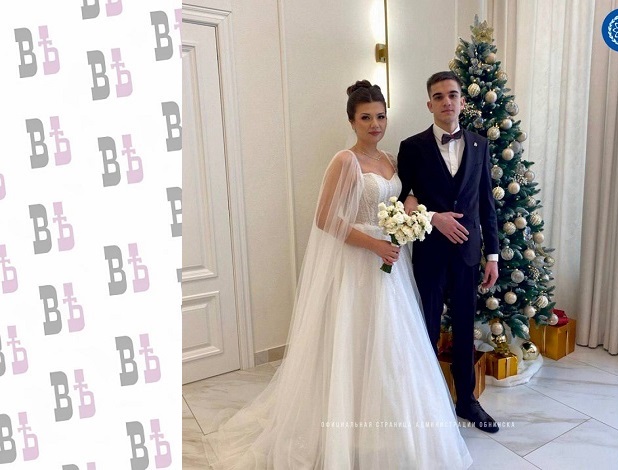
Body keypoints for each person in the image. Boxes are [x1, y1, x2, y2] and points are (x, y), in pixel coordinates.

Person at [204, 81, 472, 469]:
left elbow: (404, 197)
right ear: (352, 121)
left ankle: (390, 431)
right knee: (354, 340)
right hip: (358, 262)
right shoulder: (345, 161)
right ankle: (346, 431)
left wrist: (410, 217)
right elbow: (326, 218)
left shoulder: (390, 160)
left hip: (391, 264)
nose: (375, 124)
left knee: (392, 344)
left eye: (380, 116)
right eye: (366, 118)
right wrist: (375, 244)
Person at [398, 71, 501, 433]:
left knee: (464, 328)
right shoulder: (412, 147)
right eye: (439, 96)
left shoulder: (479, 144)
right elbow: (402, 200)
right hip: (429, 253)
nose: (446, 101)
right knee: (426, 327)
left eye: (452, 95)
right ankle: (427, 402)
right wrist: (433, 218)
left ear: (462, 101)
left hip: (468, 255)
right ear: (429, 104)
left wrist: (492, 256)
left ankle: (467, 401)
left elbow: (486, 203)